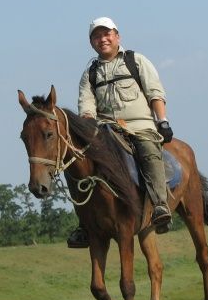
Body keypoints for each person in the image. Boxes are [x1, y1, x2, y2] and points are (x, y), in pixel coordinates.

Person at [67, 16, 174, 248]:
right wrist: (88, 128)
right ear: (91, 42)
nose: (102, 39)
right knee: (78, 163)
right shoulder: (90, 73)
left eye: (107, 34)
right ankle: (85, 222)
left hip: (140, 125)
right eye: (96, 36)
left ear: (117, 36)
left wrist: (162, 121)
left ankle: (159, 205)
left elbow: (155, 92)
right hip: (107, 131)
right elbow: (86, 107)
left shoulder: (136, 61)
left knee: (148, 152)